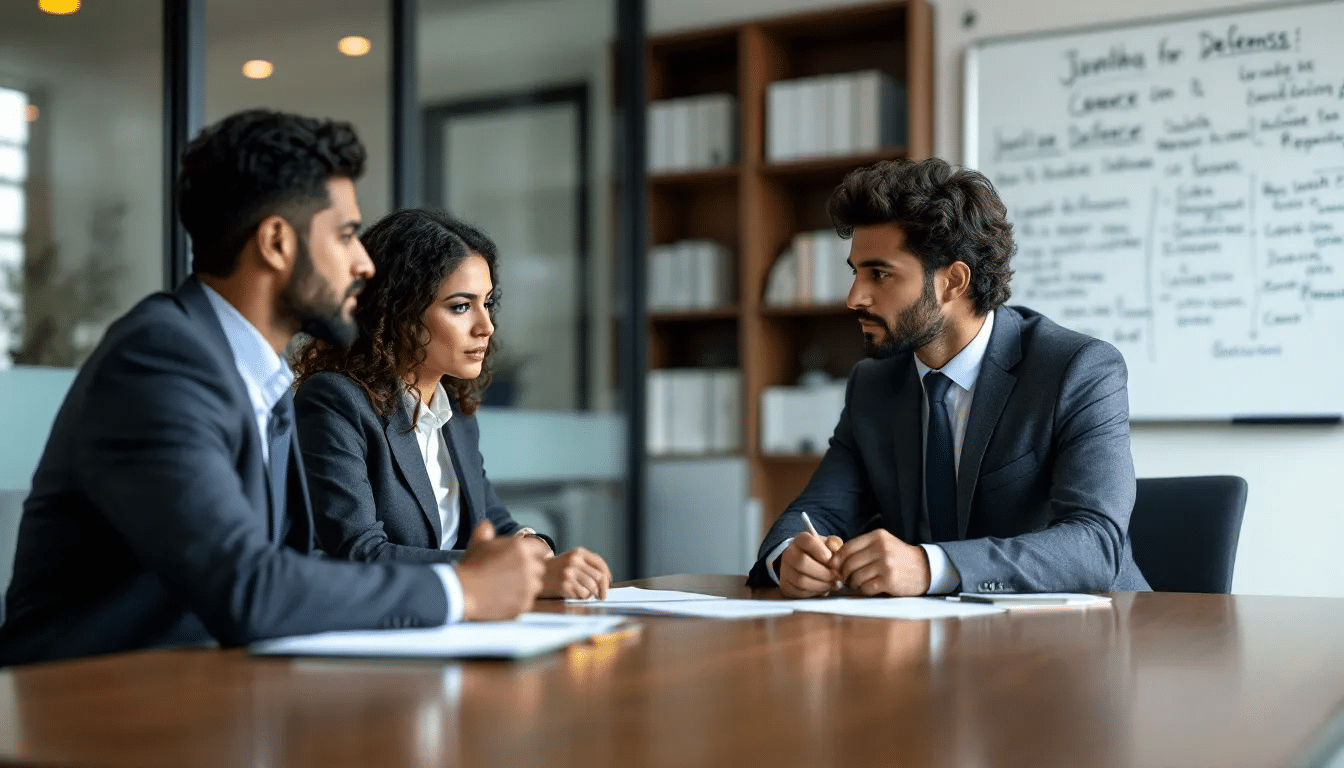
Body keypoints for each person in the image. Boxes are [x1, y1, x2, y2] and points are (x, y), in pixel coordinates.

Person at [0, 110, 546, 667]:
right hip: (82, 710)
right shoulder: (160, 360)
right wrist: (464, 589)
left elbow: (304, 564)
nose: (363, 264)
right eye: (346, 235)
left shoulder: (258, 378)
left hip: (208, 695)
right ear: (278, 243)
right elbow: (249, 588)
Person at [748, 158, 1149, 598]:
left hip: (1088, 642)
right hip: (929, 643)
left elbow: (1096, 545)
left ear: (954, 282)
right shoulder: (874, 384)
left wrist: (931, 566)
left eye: (879, 274)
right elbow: (821, 509)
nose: (854, 298)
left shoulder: (1078, 370)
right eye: (855, 272)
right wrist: (790, 555)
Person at [291, 208, 612, 600]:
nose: (486, 326)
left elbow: (492, 523)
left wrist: (535, 547)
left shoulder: (454, 412)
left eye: (487, 304)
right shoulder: (335, 401)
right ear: (400, 314)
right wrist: (502, 572)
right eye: (461, 306)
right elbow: (358, 553)